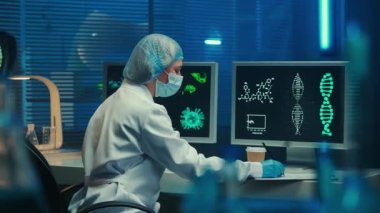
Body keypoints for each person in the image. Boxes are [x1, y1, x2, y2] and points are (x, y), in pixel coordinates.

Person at [68, 33, 284, 212]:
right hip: (124, 208)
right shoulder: (146, 111)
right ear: (157, 71)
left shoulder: (109, 104)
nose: (180, 77)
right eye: (177, 70)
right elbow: (195, 168)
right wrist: (253, 168)